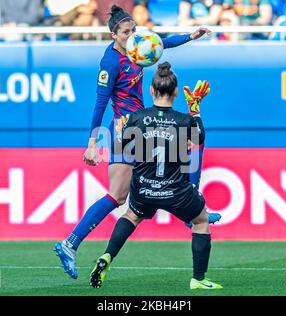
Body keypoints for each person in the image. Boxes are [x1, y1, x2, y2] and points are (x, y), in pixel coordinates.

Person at [53, 4, 220, 280]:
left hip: (141, 125)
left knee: (169, 163)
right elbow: (100, 102)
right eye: (126, 32)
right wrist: (93, 143)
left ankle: (192, 213)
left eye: (134, 30)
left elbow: (162, 42)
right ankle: (70, 243)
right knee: (119, 194)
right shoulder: (110, 62)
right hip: (124, 129)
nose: (132, 36)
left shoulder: (136, 48)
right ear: (114, 36)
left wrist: (190, 36)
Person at [90, 62, 223, 290]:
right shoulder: (184, 120)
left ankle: (107, 257)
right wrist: (195, 110)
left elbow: (123, 147)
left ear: (151, 91)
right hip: (176, 191)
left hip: (143, 187)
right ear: (175, 92)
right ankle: (198, 279)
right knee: (201, 221)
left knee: (131, 216)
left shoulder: (137, 117)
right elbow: (199, 139)